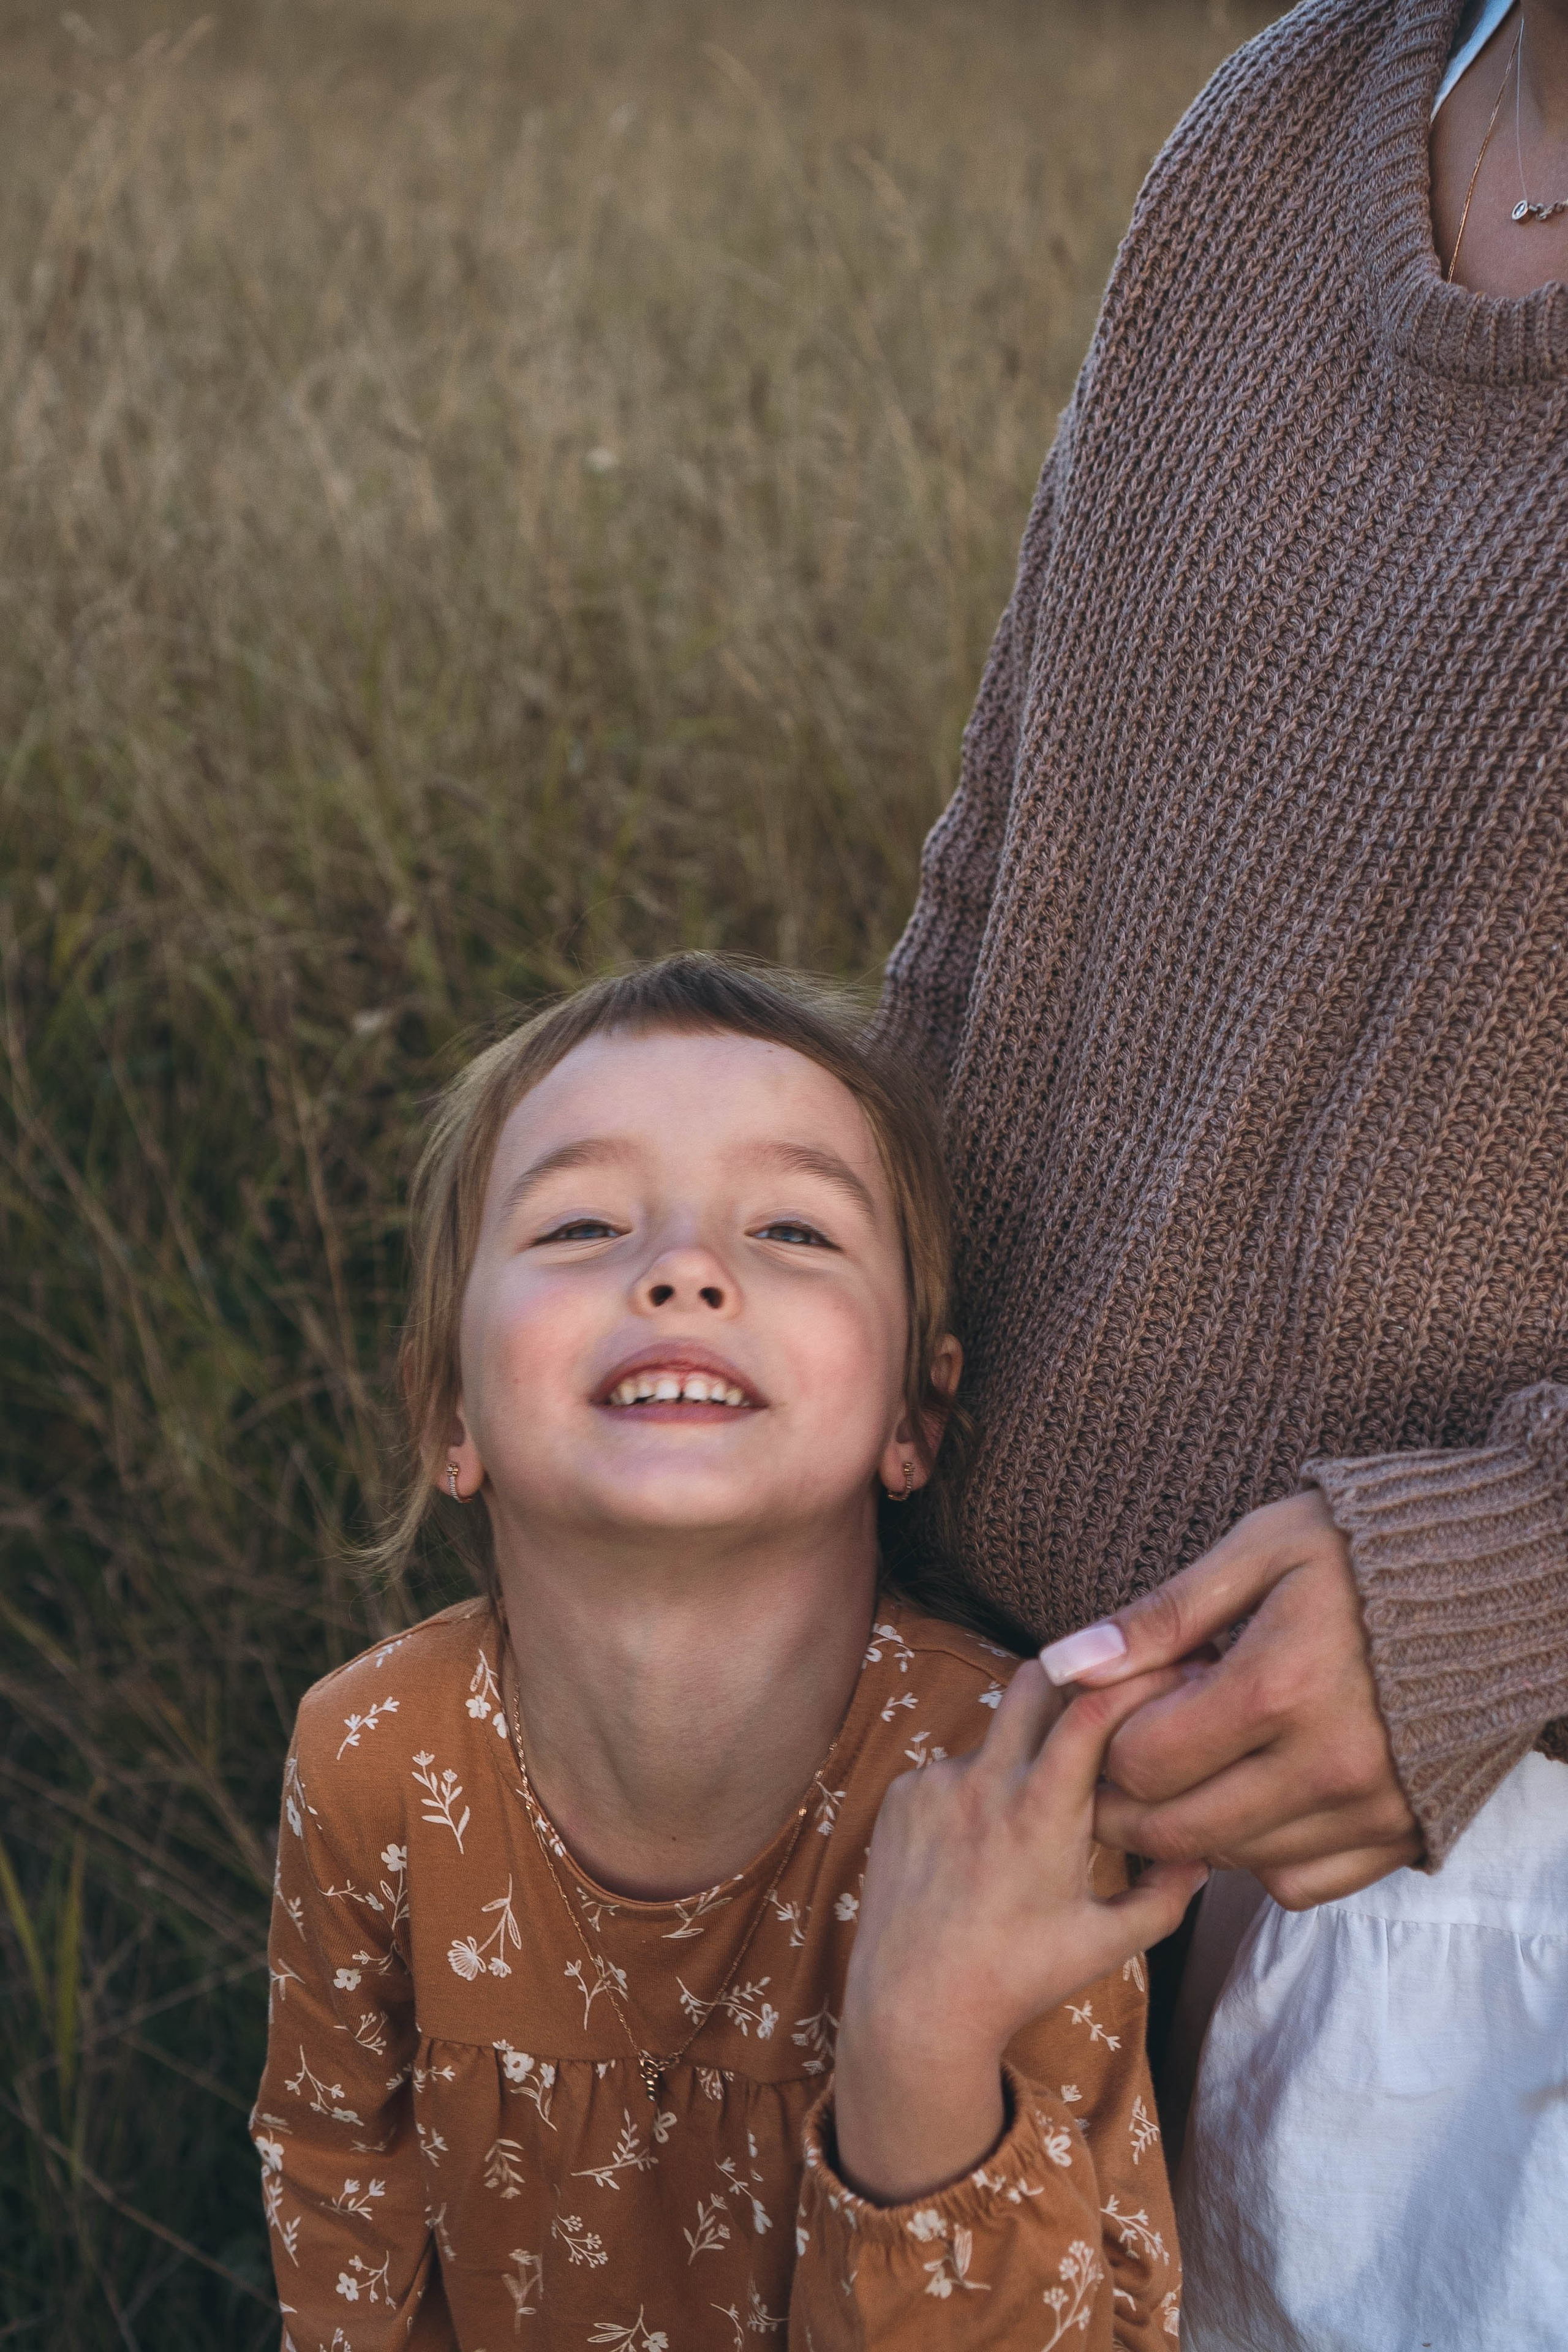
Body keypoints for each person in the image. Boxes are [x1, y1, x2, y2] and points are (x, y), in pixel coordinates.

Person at [875, 0, 1567, 2345]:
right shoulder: (1287, 127)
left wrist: (1521, 1585)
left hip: (1478, 1940)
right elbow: (1006, 876)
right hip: (999, 1801)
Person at [251, 954, 1201, 2349]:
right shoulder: (371, 1757)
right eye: (580, 1223)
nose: (684, 1271)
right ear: (446, 1409)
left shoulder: (996, 1780)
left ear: (912, 1414)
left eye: (794, 1232)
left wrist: (919, 2059)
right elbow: (343, 2226)